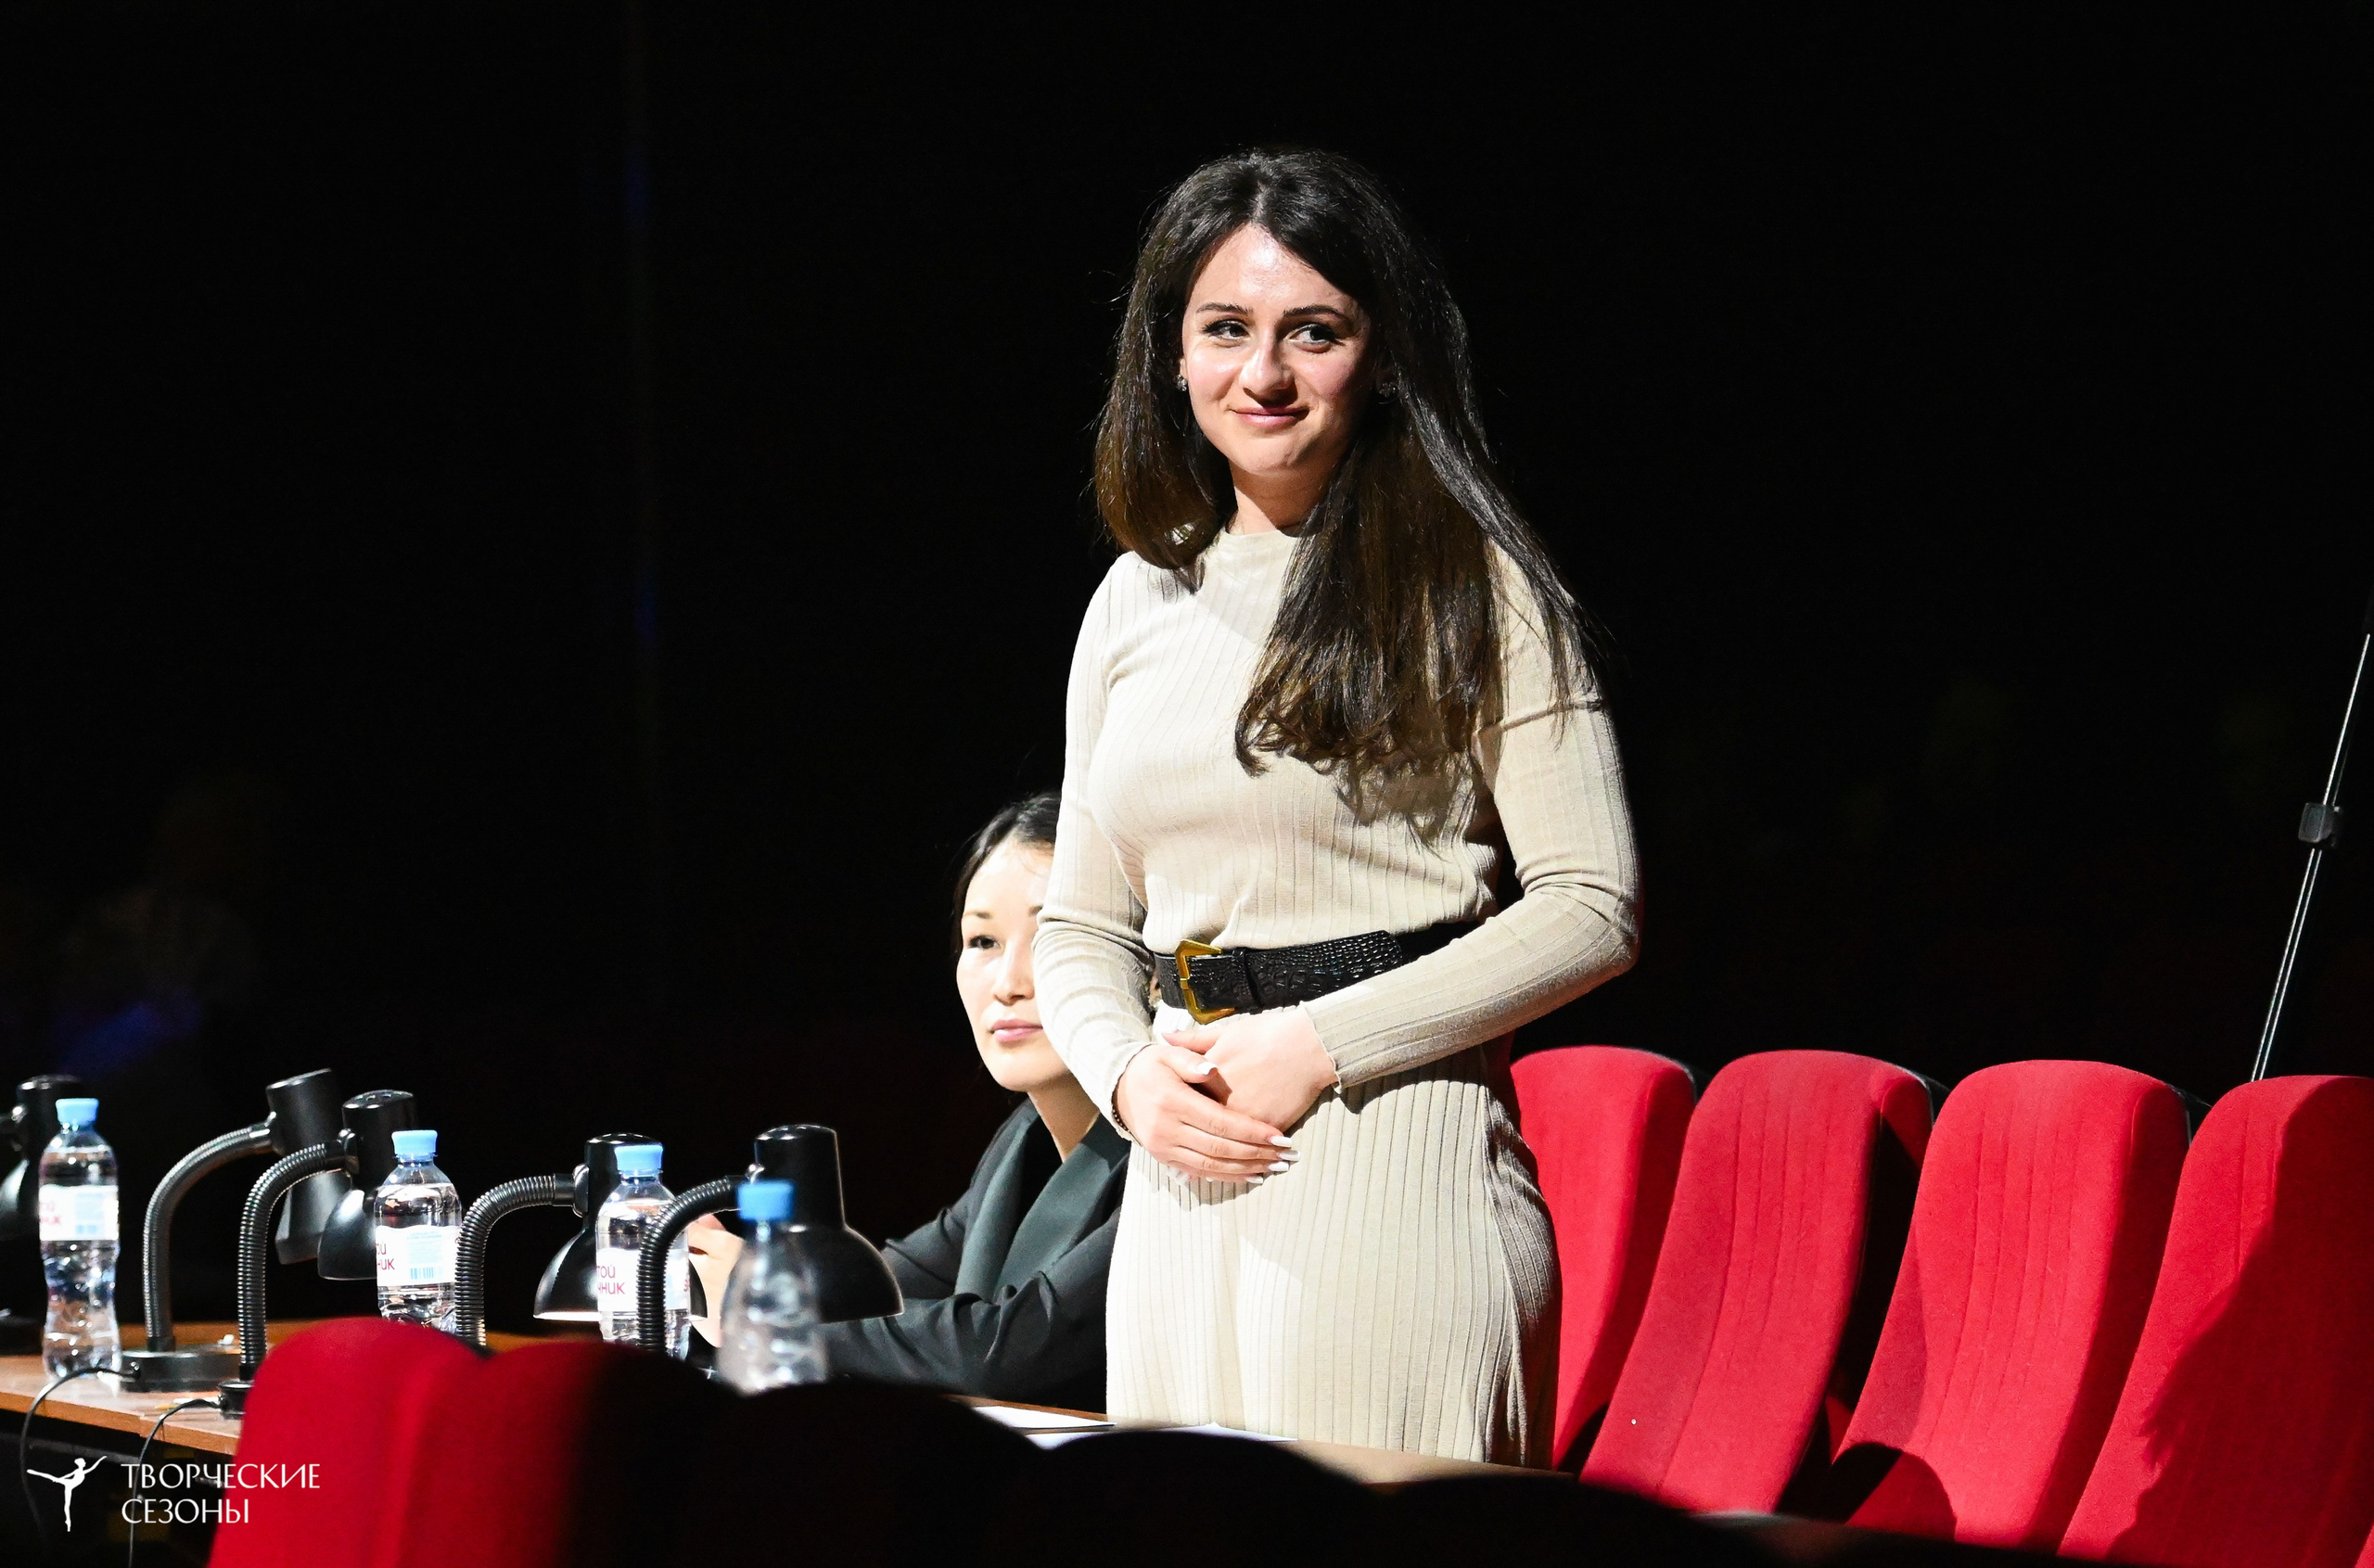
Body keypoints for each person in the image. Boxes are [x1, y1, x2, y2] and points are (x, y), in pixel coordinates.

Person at [1035, 149, 1640, 1464]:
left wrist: (1318, 1043)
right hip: (1181, 1178)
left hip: (1394, 1164)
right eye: (1226, 330)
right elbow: (1079, 919)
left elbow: (1595, 905)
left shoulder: (1481, 584)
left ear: (1380, 354)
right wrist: (1130, 1076)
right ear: (1173, 357)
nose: (1265, 373)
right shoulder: (1136, 598)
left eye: (1315, 330)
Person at [686, 793, 1128, 1410]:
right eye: (982, 941)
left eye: (1053, 934)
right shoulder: (1022, 1137)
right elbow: (873, 1290)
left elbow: (1009, 1348)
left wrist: (764, 1306)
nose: (1008, 983)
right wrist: (704, 1263)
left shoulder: (1170, 1148)